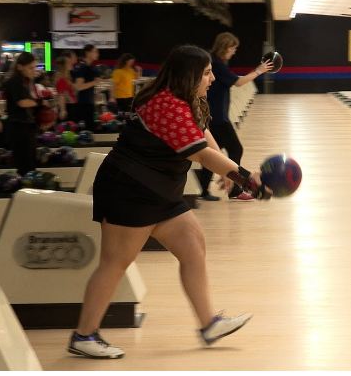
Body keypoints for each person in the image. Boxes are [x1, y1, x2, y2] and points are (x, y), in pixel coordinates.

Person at [68, 44, 273, 360]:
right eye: (206, 73)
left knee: (193, 247)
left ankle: (209, 324)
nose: (211, 79)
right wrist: (246, 178)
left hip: (160, 189)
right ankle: (84, 335)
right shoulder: (166, 105)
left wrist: (230, 169)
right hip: (130, 187)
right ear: (188, 75)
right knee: (115, 263)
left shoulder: (187, 100)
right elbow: (198, 152)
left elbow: (204, 138)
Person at [197, 32, 273, 201]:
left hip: (214, 116)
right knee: (235, 149)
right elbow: (238, 82)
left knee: (210, 153)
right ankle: (234, 189)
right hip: (217, 117)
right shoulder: (217, 65)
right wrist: (259, 71)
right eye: (232, 48)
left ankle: (206, 190)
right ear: (224, 47)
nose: (234, 52)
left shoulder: (216, 63)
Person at [3, 52, 48, 176]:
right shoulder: (15, 81)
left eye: (34, 67)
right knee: (25, 166)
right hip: (18, 128)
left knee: (30, 165)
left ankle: (28, 191)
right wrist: (39, 103)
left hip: (26, 127)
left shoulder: (25, 82)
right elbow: (22, 103)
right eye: (30, 68)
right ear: (19, 67)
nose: (33, 71)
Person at [73, 44, 103, 130]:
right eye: (95, 52)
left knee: (91, 127)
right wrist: (95, 82)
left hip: (89, 102)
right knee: (87, 128)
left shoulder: (92, 68)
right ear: (88, 53)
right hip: (82, 103)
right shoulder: (82, 68)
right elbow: (79, 87)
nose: (98, 54)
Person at [54, 56, 75, 122]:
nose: (71, 63)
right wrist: (63, 110)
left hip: (71, 105)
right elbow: (61, 95)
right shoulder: (61, 79)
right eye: (68, 62)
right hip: (67, 106)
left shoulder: (67, 78)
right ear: (63, 66)